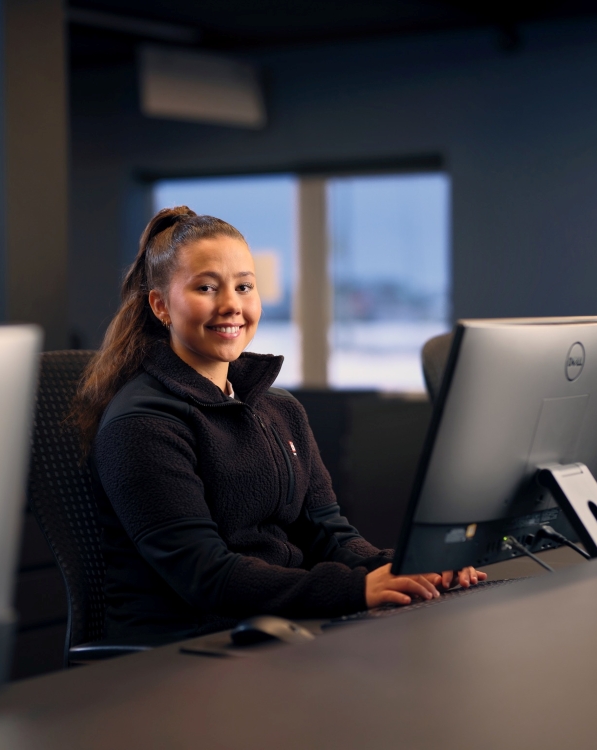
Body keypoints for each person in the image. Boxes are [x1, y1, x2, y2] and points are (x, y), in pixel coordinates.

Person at [72, 206, 486, 645]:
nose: (231, 304)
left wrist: (408, 566)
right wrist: (353, 590)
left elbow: (329, 534)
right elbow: (206, 576)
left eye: (244, 286)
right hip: (183, 648)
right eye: (206, 287)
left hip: (273, 623)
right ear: (161, 306)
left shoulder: (278, 408)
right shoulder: (142, 423)